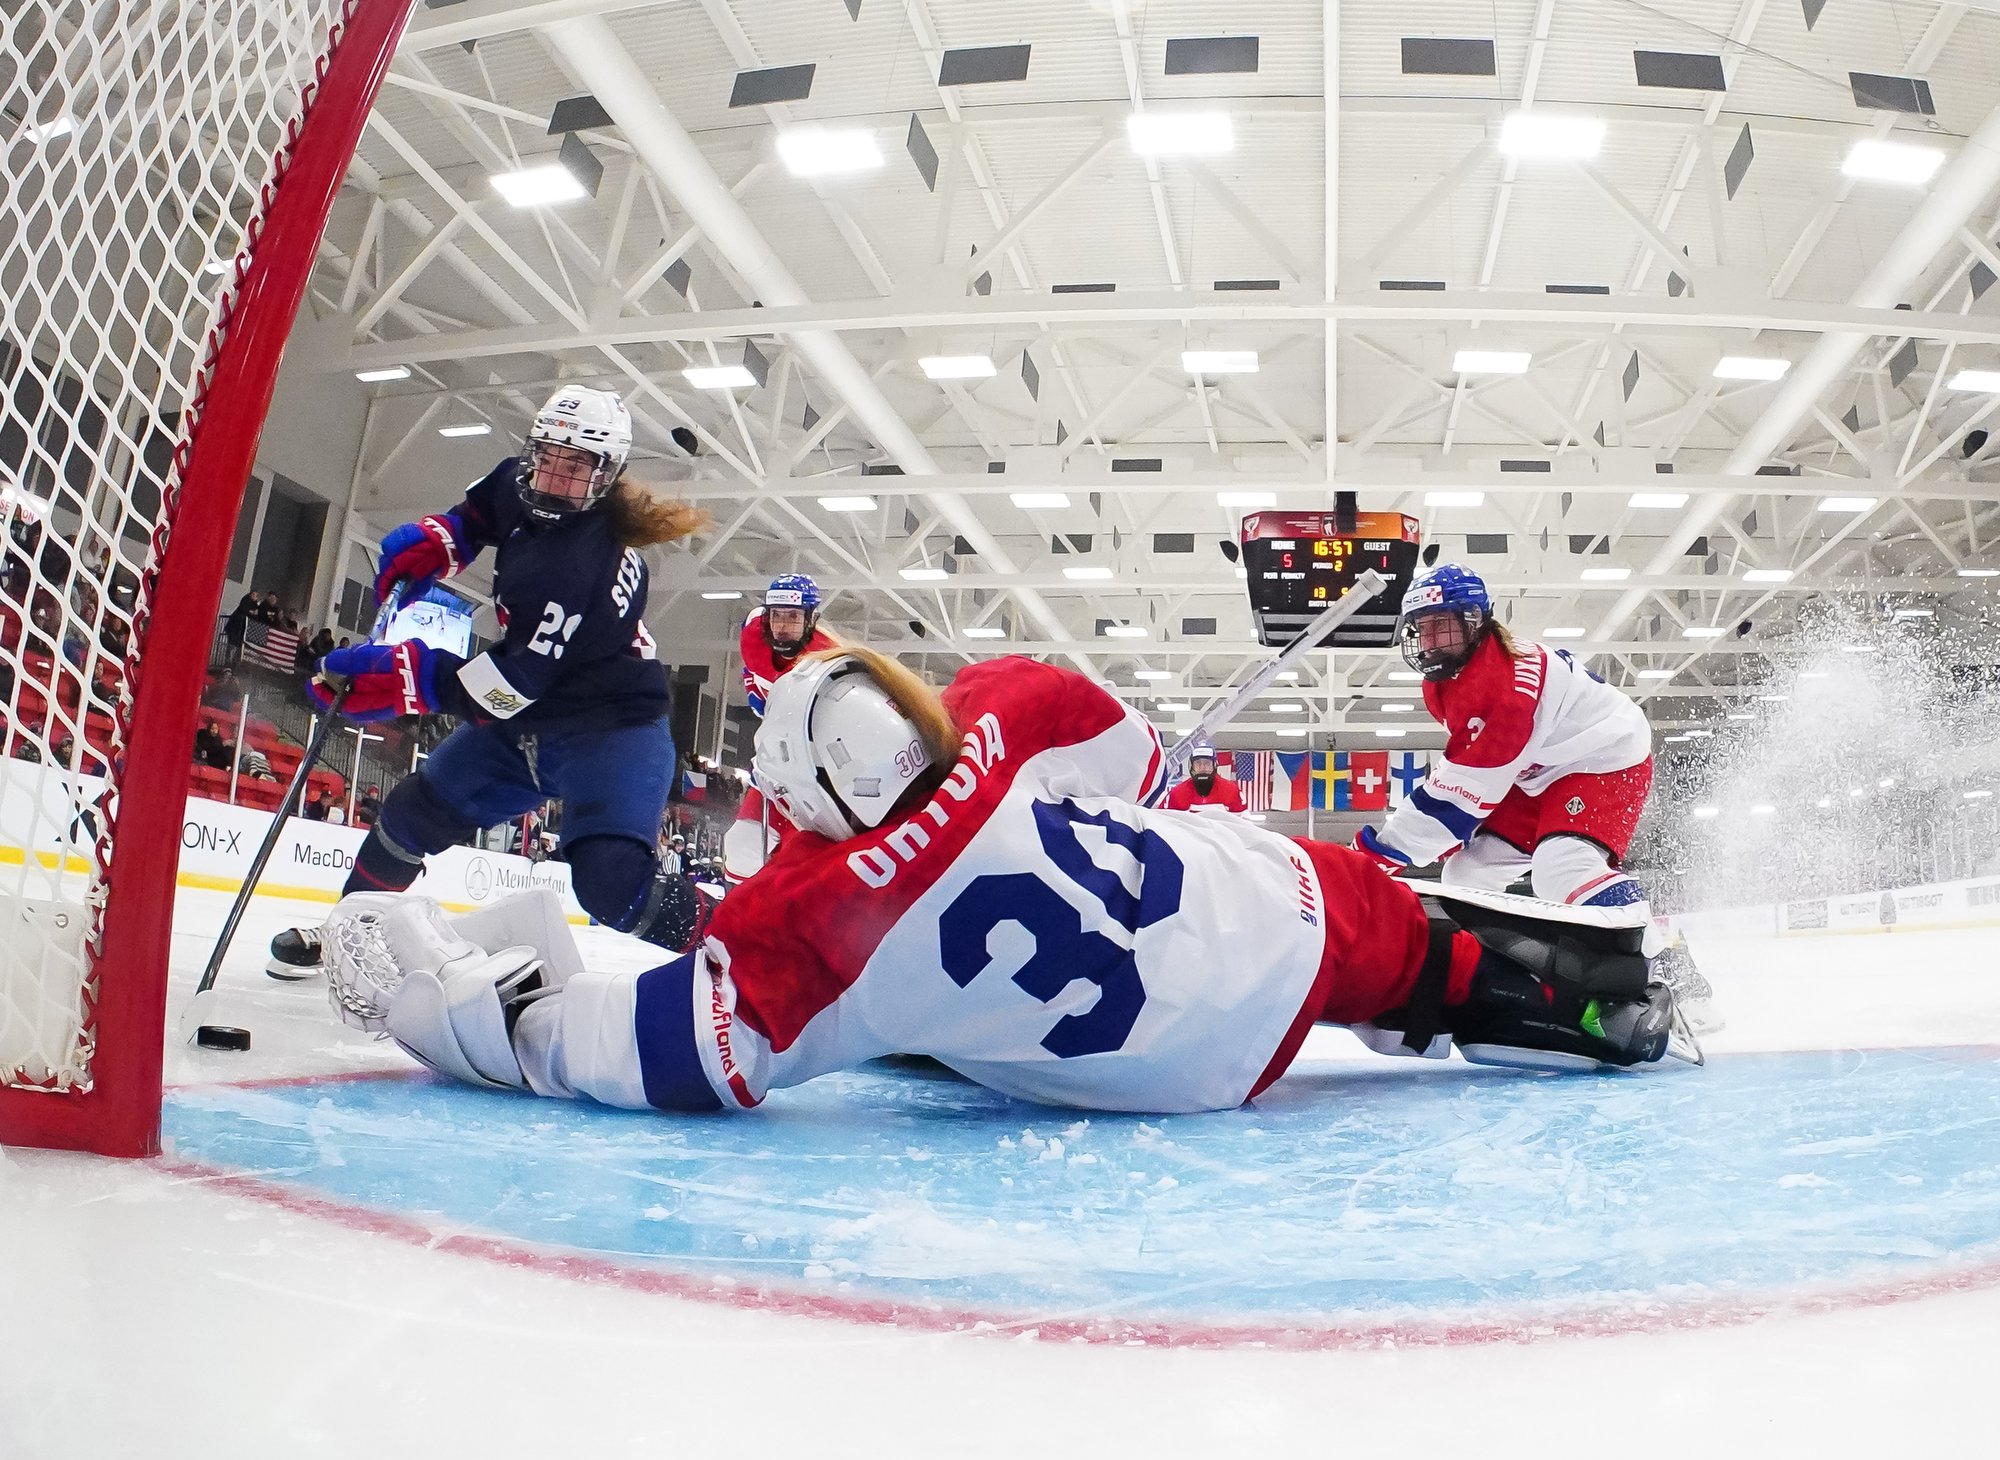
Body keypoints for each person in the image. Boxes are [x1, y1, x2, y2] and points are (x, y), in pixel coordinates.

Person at [327, 646, 1697, 1118]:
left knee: (903, 1023)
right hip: (1268, 910)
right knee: (1398, 937)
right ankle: (1566, 989)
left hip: (1173, 1075)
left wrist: (444, 1006)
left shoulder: (812, 920)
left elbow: (657, 1052)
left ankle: (1487, 976)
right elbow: (1141, 766)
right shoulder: (998, 703)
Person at [265, 385, 711, 981]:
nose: (554, 476)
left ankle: (747, 941)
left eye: (576, 466)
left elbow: (506, 687)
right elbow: (478, 516)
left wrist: (407, 676)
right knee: (410, 815)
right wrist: (443, 541)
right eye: (548, 455)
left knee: (611, 883)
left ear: (606, 476)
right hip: (531, 718)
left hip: (608, 732)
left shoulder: (581, 564)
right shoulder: (520, 483)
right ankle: (349, 933)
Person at [1350, 563, 1719, 1030]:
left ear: (1474, 622)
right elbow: (1473, 777)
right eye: (1422, 628)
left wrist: (1374, 856)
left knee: (1562, 868)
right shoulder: (1446, 681)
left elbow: (1461, 794)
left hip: (1602, 757)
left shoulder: (1507, 687)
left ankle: (1667, 965)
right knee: (1467, 873)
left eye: (1441, 625)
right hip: (1537, 771)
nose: (1430, 640)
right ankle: (1501, 980)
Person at [723, 573, 838, 883]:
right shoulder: (752, 630)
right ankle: (739, 912)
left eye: (793, 617)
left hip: (815, 780)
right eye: (777, 615)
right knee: (741, 847)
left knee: (807, 862)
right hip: (773, 767)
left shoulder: (828, 661)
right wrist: (752, 684)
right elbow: (753, 662)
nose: (783, 625)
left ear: (811, 619)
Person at [1161, 743, 1247, 814]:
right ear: (1192, 766)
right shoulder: (1177, 793)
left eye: (1207, 763)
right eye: (1198, 763)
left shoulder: (1231, 790)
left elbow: (1243, 823)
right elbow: (1164, 821)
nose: (1202, 767)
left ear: (1214, 765)